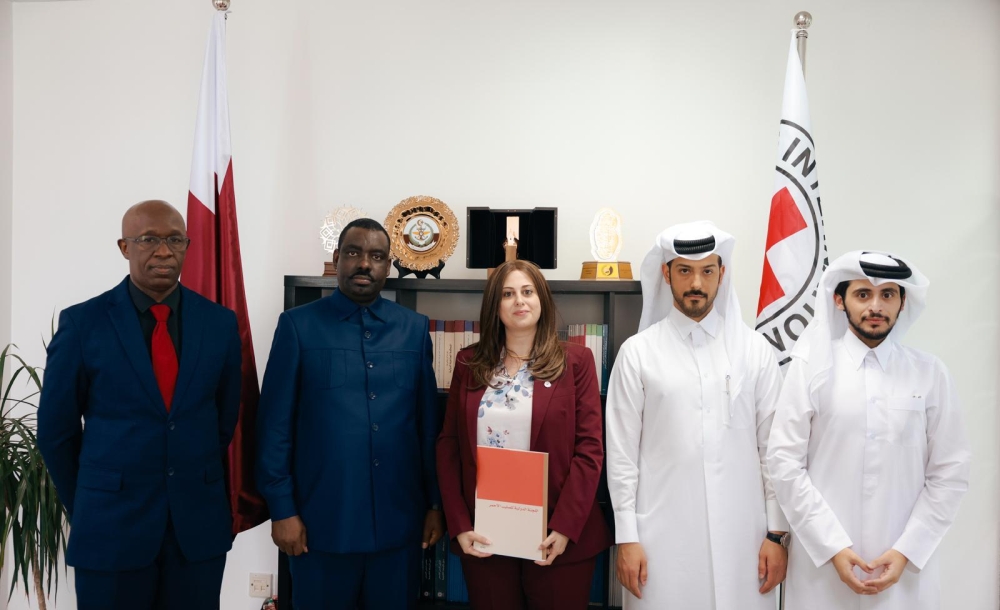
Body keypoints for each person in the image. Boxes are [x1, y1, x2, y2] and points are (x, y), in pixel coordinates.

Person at [37, 200, 242, 610]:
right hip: (109, 529)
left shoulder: (219, 323)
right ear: (124, 247)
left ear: (187, 246)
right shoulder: (83, 324)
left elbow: (224, 420)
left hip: (195, 531)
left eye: (175, 240)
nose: (164, 251)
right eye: (149, 239)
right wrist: (90, 504)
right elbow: (56, 432)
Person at [256, 218, 443, 609]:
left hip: (398, 524)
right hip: (320, 525)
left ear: (388, 266)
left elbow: (427, 428)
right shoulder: (297, 326)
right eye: (354, 253)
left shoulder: (413, 329)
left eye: (377, 256)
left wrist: (434, 505)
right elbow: (274, 428)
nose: (365, 264)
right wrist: (282, 510)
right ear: (337, 258)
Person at [766, 251, 971, 609]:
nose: (875, 306)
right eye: (863, 294)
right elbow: (784, 463)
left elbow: (950, 473)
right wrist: (832, 546)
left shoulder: (930, 373)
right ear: (839, 300)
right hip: (821, 569)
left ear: (903, 302)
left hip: (905, 573)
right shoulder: (810, 368)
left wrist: (907, 550)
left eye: (887, 294)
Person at [605, 221, 789, 610]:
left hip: (745, 541)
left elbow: (772, 449)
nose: (696, 283)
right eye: (685, 271)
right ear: (666, 273)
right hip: (659, 543)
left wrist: (777, 534)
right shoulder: (637, 354)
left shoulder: (755, 351)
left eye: (707, 271)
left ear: (722, 273)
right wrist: (626, 536)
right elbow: (621, 455)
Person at [436, 259, 612, 610]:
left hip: (556, 534)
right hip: (485, 532)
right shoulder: (469, 363)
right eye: (508, 294)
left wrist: (564, 527)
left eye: (528, 291)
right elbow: (449, 445)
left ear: (541, 299)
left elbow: (590, 449)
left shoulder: (577, 361)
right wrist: (459, 523)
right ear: (495, 306)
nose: (519, 300)